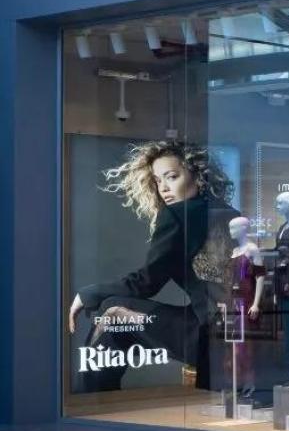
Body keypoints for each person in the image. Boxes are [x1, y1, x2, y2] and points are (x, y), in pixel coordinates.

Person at [66, 142, 237, 393]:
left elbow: (147, 282)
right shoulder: (230, 213)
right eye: (158, 181)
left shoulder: (178, 215)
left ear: (198, 176)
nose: (164, 188)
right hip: (234, 335)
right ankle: (94, 398)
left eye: (172, 177)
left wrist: (88, 294)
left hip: (208, 338)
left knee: (111, 309)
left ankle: (91, 401)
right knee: (114, 313)